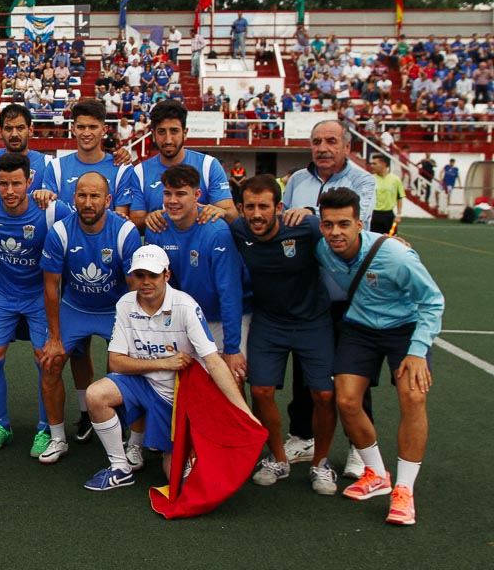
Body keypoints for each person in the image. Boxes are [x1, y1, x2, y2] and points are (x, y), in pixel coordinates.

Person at [316, 188, 443, 526]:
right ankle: (376, 473)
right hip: (360, 329)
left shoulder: (396, 257)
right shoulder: (322, 248)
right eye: (328, 225)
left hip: (405, 328)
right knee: (345, 400)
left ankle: (404, 490)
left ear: (360, 223)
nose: (335, 233)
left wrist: (417, 351)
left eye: (344, 224)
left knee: (413, 397)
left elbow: (433, 301)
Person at [82, 244, 255, 491]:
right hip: (141, 383)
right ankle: (120, 468)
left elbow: (213, 361)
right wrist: (164, 362)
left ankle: (175, 449)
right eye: (140, 275)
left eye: (153, 275)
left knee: (179, 483)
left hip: (175, 398)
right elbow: (115, 362)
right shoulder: (125, 304)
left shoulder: (185, 306)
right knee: (96, 394)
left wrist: (244, 412)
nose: (145, 282)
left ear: (166, 275)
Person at [231, 175, 339, 495]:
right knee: (262, 391)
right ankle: (277, 458)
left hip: (312, 321)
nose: (256, 214)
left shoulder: (304, 227)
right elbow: (209, 214)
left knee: (324, 395)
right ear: (241, 208)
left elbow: (339, 231)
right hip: (270, 321)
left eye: (264, 206)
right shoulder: (238, 229)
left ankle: (321, 463)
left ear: (279, 207)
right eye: (249, 207)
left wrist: (390, 241)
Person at [282, 118, 378, 474]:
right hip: (308, 294)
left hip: (349, 295)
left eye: (331, 141)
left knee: (354, 371)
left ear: (346, 147)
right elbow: (285, 228)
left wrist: (308, 216)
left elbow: (357, 228)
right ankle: (302, 436)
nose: (323, 148)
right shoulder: (296, 181)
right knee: (306, 371)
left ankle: (359, 444)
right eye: (317, 141)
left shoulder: (363, 181)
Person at [0, 153, 73, 456]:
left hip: (39, 295)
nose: (10, 190)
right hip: (2, 294)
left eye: (17, 183)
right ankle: (1, 425)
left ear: (30, 181)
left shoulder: (50, 209)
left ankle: (45, 428)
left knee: (45, 358)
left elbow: (83, 225)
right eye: (3, 184)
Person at [40, 172, 139, 464]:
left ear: (108, 200)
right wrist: (55, 338)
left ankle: (131, 438)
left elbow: (135, 288)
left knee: (123, 368)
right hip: (76, 308)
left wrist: (134, 333)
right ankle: (58, 438)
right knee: (50, 363)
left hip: (115, 310)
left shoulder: (124, 232)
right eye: (82, 195)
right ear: (74, 198)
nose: (88, 202)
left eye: (95, 196)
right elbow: (50, 286)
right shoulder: (60, 231)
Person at [151, 164, 248, 394]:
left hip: (223, 318)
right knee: (181, 381)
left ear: (197, 195)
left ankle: (238, 429)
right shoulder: (158, 228)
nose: (172, 200)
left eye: (181, 193)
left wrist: (232, 348)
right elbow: (164, 288)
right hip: (189, 317)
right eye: (167, 193)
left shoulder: (216, 232)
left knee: (231, 380)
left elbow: (230, 293)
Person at [132, 101, 238, 229]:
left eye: (174, 131)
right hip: (159, 246)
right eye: (161, 132)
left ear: (185, 133)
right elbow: (135, 220)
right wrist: (148, 219)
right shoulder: (140, 171)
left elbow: (232, 216)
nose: (168, 140)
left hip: (201, 247)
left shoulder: (208, 166)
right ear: (153, 135)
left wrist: (222, 212)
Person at [369, 154, 405, 235]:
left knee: (391, 240)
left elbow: (399, 198)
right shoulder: (370, 179)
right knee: (373, 241)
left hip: (389, 216)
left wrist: (398, 215)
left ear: (383, 164)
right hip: (373, 215)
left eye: (375, 164)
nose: (372, 166)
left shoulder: (396, 180)